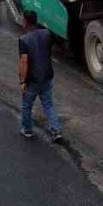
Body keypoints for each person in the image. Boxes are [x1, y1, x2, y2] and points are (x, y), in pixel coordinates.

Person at [18, 10, 62, 142]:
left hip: (33, 79)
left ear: (25, 22)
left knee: (26, 105)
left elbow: (24, 62)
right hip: (47, 76)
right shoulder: (47, 34)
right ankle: (56, 130)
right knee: (48, 105)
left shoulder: (23, 40)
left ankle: (27, 130)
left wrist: (22, 81)